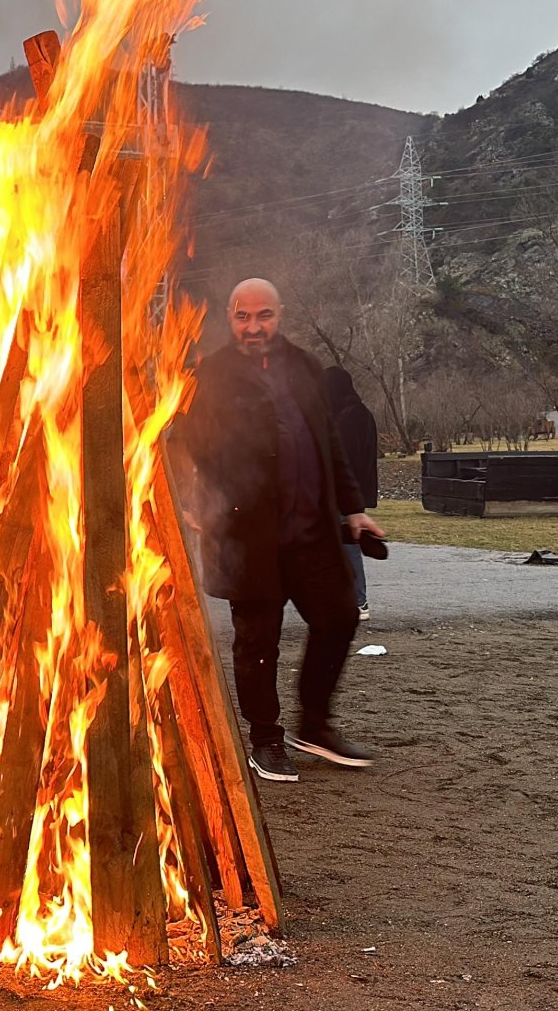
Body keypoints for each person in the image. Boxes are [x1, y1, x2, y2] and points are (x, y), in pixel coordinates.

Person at [179, 278, 384, 784]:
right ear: (230, 317)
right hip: (247, 535)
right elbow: (185, 442)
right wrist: (196, 500)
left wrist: (353, 508)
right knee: (257, 641)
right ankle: (265, 738)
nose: (254, 327)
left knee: (338, 617)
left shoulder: (304, 367)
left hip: (310, 531)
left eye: (264, 315)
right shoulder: (211, 376)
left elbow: (328, 441)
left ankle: (315, 725)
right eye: (243, 316)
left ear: (280, 315)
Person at [323, 366, 379, 623]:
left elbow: (341, 460)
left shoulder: (346, 417)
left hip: (343, 494)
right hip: (354, 492)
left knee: (346, 545)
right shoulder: (363, 414)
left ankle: (358, 601)